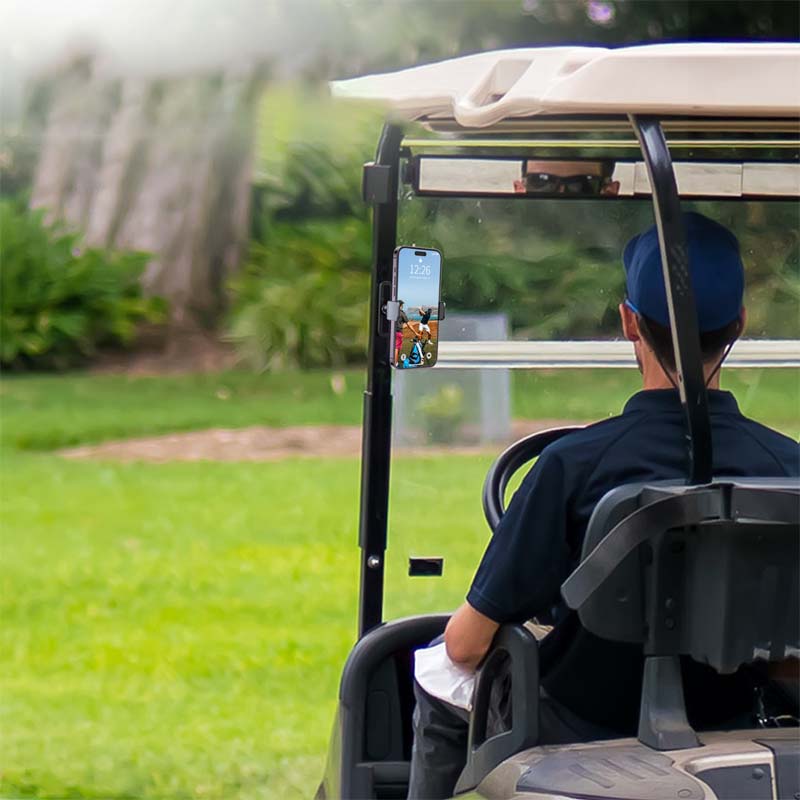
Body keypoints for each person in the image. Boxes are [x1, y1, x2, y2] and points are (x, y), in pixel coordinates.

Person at [407, 212, 800, 800]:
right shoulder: (789, 469)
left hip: (579, 720)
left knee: (441, 668)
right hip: (738, 713)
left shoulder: (571, 465)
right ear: (740, 324)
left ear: (628, 322)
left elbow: (467, 645)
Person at [395, 300, 411, 365]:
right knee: (396, 348)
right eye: (402, 305)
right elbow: (408, 324)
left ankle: (394, 360)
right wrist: (415, 333)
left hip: (392, 332)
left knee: (394, 347)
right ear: (400, 305)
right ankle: (395, 363)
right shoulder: (402, 313)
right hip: (398, 332)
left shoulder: (393, 312)